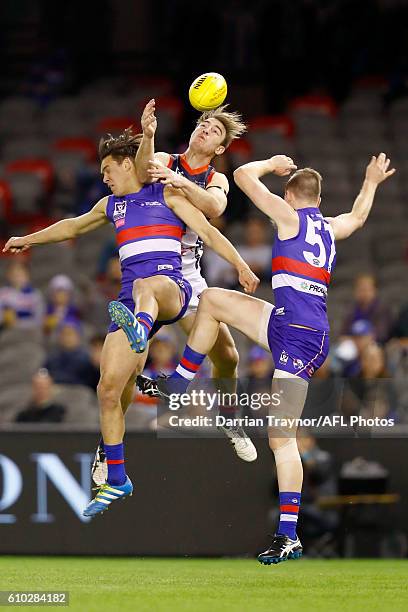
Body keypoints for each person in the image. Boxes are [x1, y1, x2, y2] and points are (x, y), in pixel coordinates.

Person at [138, 152, 395, 563]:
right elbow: (359, 217)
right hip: (288, 322)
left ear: (291, 194)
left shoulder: (290, 215)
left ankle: (289, 534)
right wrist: (371, 182)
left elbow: (241, 175)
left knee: (281, 437)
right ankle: (179, 384)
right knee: (213, 300)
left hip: (299, 337)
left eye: (285, 193)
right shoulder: (328, 228)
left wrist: (271, 163)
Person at [3, 127, 259, 518]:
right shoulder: (117, 200)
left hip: (177, 282)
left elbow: (210, 222)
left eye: (107, 169)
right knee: (108, 388)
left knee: (227, 357)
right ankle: (116, 471)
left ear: (126, 165)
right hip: (133, 296)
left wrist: (241, 266)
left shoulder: (175, 189)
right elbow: (71, 225)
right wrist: (28, 238)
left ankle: (229, 419)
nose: (103, 178)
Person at [92, 98, 256, 486]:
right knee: (122, 374)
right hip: (148, 269)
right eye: (203, 124)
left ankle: (230, 421)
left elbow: (214, 209)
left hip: (187, 276)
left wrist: (182, 184)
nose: (205, 130)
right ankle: (107, 447)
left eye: (215, 130)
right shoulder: (165, 158)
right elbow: (145, 171)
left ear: (220, 148)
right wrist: (147, 134)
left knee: (229, 357)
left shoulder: (217, 178)